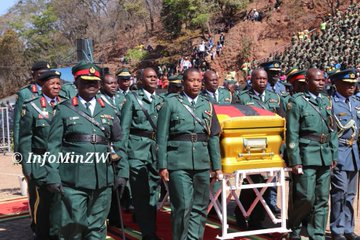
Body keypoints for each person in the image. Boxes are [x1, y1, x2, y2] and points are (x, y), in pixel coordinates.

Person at [45, 61, 125, 239]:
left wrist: (122, 173)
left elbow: (119, 144)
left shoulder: (109, 111)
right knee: (72, 229)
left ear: (99, 84)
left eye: (94, 82)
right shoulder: (64, 110)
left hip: (102, 182)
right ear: (76, 83)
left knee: (97, 230)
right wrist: (52, 175)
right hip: (73, 181)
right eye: (86, 81)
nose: (91, 85)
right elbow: (53, 147)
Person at [157, 68, 223, 240]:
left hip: (201, 161)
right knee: (183, 206)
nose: (195, 84)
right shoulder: (171, 103)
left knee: (200, 207)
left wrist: (217, 167)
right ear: (183, 82)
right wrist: (162, 165)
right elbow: (162, 136)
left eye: (198, 81)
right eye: (191, 81)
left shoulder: (207, 105)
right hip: (178, 161)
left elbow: (213, 137)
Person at [286, 68, 338, 240]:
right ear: (307, 82)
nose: (321, 83)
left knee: (322, 199)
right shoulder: (297, 102)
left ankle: (317, 234)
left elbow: (333, 130)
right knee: (306, 197)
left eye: (323, 80)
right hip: (306, 154)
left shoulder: (326, 101)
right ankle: (295, 226)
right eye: (317, 80)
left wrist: (333, 154)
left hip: (324, 155)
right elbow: (292, 132)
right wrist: (295, 160)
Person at [119, 67, 164, 240]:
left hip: (155, 151)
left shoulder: (161, 99)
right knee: (141, 192)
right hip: (136, 151)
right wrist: (122, 156)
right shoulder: (132, 99)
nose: (153, 79)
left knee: (154, 192)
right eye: (149, 77)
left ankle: (148, 226)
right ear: (141, 80)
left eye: (155, 77)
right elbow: (124, 129)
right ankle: (148, 233)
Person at [19, 70, 63, 239]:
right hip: (40, 161)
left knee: (60, 202)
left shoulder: (67, 104)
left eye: (59, 83)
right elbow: (25, 140)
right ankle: (42, 234)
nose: (56, 86)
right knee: (44, 204)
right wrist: (27, 167)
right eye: (52, 83)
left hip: (62, 161)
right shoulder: (31, 106)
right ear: (42, 84)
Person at [329, 69, 360, 240]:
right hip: (339, 152)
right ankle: (337, 229)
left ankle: (348, 228)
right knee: (339, 192)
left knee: (350, 194)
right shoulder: (331, 103)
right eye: (348, 84)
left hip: (353, 153)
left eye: (353, 84)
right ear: (337, 84)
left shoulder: (356, 102)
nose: (352, 87)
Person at [13, 61, 51, 153]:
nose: (44, 76)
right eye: (41, 73)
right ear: (33, 75)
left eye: (47, 73)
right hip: (35, 148)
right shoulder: (25, 94)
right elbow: (18, 123)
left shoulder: (57, 92)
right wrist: (18, 149)